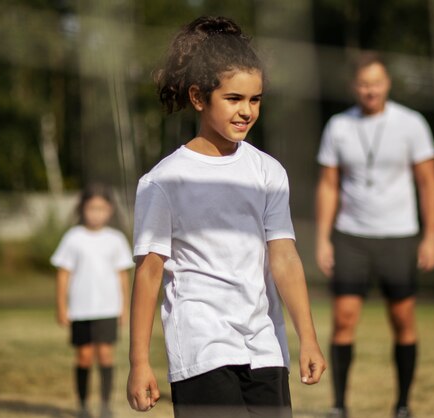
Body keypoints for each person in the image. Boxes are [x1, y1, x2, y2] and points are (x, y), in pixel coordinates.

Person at [126, 16, 326, 418]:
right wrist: (139, 362)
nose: (246, 111)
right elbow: (149, 272)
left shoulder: (268, 172)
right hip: (202, 346)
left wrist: (307, 336)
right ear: (199, 98)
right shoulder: (164, 181)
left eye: (255, 100)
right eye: (233, 99)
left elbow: (284, 258)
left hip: (265, 343)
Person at [315, 52, 434, 418]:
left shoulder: (411, 123)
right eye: (364, 83)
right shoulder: (338, 126)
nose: (371, 90)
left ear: (387, 84)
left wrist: (431, 236)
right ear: (354, 86)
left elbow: (428, 184)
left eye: (377, 82)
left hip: (399, 235)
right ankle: (338, 406)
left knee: (403, 320)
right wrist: (323, 238)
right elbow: (328, 186)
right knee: (343, 320)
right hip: (351, 236)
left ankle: (402, 405)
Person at [51, 184, 134, 418]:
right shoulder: (73, 238)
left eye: (101, 208)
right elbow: (63, 274)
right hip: (81, 309)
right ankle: (83, 406)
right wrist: (61, 307)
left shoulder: (116, 239)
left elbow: (122, 276)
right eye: (91, 208)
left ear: (110, 211)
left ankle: (106, 406)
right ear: (82, 209)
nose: (96, 213)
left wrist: (124, 308)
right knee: (84, 356)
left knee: (106, 355)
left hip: (108, 308)